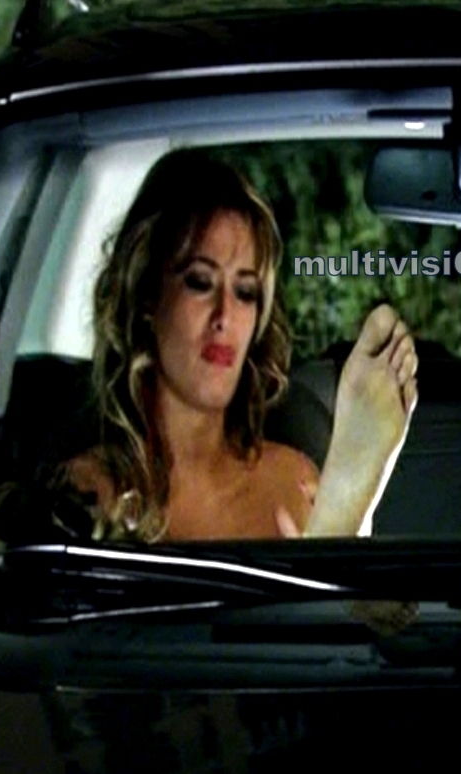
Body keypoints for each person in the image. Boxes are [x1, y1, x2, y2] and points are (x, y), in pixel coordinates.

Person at [61, 148, 418, 543]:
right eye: (200, 283)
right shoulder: (88, 493)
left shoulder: (292, 480)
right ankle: (332, 539)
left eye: (245, 292)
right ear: (147, 294)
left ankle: (339, 537)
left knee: (334, 561)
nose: (225, 316)